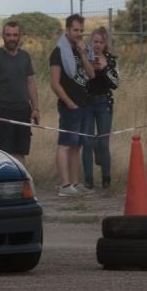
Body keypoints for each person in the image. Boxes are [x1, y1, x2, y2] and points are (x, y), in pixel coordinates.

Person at [49, 14, 96, 197]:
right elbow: (55, 83)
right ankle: (64, 185)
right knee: (65, 144)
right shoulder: (58, 52)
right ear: (67, 30)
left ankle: (75, 183)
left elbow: (91, 74)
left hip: (84, 104)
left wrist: (84, 53)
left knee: (77, 145)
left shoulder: (81, 49)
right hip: (70, 105)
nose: (78, 34)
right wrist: (69, 103)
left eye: (81, 30)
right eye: (75, 30)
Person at [0, 22, 38, 163]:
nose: (12, 38)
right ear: (3, 36)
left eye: (15, 35)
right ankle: (6, 185)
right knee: (5, 155)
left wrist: (35, 109)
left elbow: (30, 83)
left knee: (21, 153)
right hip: (4, 113)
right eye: (8, 35)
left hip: (23, 112)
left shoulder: (25, 57)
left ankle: (21, 184)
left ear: (19, 36)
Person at [81, 27, 120, 190]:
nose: (97, 45)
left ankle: (106, 180)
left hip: (104, 103)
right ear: (91, 42)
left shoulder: (110, 59)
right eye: (95, 41)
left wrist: (104, 69)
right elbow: (79, 80)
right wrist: (88, 66)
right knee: (87, 142)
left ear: (105, 44)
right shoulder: (84, 57)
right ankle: (88, 181)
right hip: (87, 103)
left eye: (101, 42)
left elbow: (115, 84)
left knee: (103, 143)